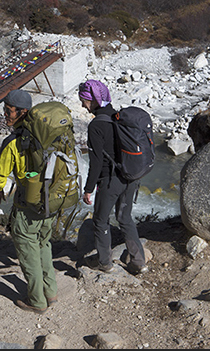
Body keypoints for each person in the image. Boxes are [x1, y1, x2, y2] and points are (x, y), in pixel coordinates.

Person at [0, 89, 57, 314]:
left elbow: (1, 171)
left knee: (28, 251)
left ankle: (37, 301)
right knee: (43, 244)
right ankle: (51, 292)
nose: (5, 115)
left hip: (27, 204)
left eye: (8, 111)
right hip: (52, 201)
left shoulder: (14, 142)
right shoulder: (48, 132)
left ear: (22, 112)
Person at [78, 79, 147, 275]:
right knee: (124, 217)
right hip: (131, 176)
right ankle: (139, 262)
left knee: (100, 221)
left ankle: (105, 262)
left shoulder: (96, 126)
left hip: (110, 180)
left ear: (92, 100)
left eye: (84, 100)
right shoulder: (120, 117)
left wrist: (88, 189)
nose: (83, 105)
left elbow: (97, 163)